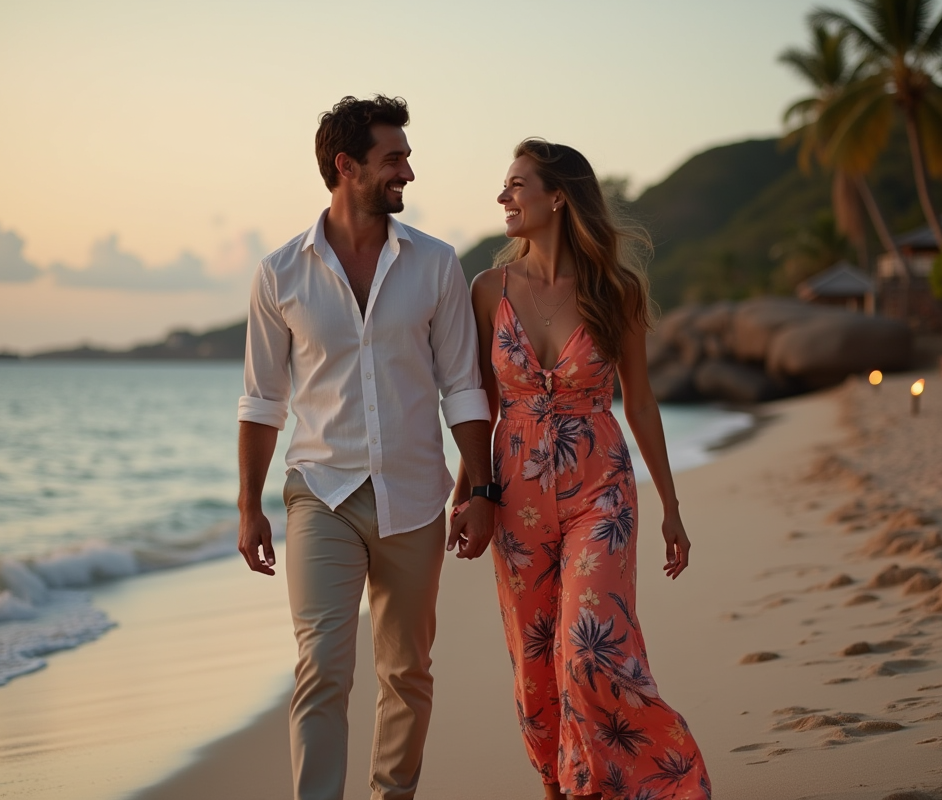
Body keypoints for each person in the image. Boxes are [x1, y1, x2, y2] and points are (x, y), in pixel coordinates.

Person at [236, 95, 496, 800]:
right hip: (319, 493)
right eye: (394, 159)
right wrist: (247, 507)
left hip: (413, 496)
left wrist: (481, 488)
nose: (408, 171)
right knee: (322, 665)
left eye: (406, 157)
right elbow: (263, 401)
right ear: (345, 167)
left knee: (407, 671)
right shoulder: (279, 273)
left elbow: (463, 388)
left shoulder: (436, 265)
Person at [454, 139, 711, 800]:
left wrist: (671, 508)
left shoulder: (616, 289)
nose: (503, 197)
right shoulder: (487, 291)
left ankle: (669, 784)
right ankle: (565, 790)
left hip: (602, 487)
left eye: (516, 185)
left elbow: (643, 400)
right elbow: (477, 401)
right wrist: (471, 490)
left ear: (557, 196)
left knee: (592, 650)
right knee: (537, 673)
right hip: (515, 497)